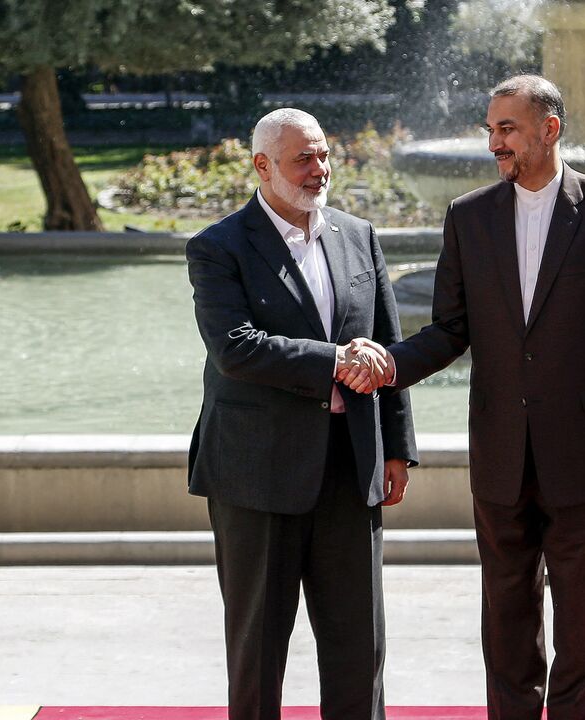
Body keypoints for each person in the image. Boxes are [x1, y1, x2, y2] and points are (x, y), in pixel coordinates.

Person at [341, 75, 585, 719]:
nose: (495, 143)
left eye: (507, 128)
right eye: (490, 129)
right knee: (505, 623)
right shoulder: (468, 217)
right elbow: (451, 330)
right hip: (500, 458)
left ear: (550, 128)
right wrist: (387, 366)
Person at [185, 107, 417, 720]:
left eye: (323, 156)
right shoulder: (217, 248)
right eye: (303, 159)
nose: (320, 170)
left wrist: (396, 448)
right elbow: (235, 347)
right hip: (255, 478)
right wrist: (335, 360)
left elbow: (387, 348)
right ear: (262, 167)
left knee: (359, 648)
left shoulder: (358, 235)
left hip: (350, 468)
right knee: (258, 652)